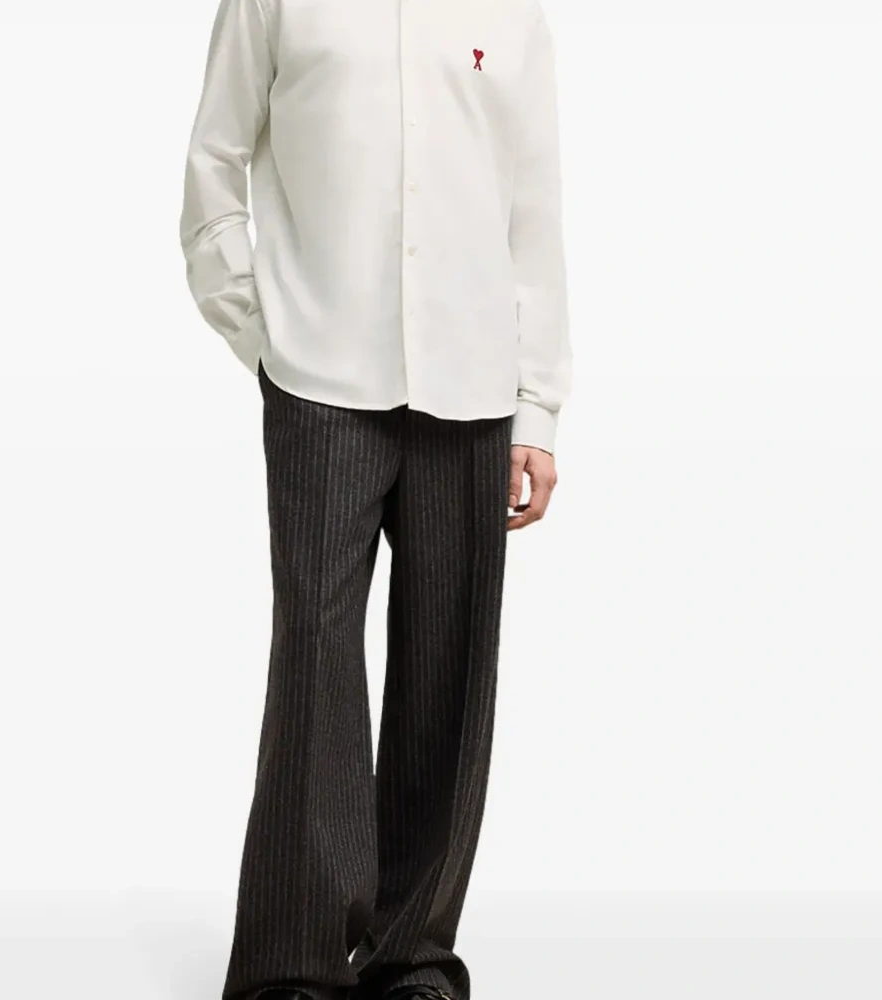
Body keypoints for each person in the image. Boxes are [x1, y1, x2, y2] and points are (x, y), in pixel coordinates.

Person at [178, 0, 572, 997]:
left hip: (473, 386)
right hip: (320, 379)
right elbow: (214, 160)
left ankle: (412, 957)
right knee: (314, 658)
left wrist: (536, 408)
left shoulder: (507, 13)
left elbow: (532, 211)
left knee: (449, 667)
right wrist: (258, 331)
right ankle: (292, 964)